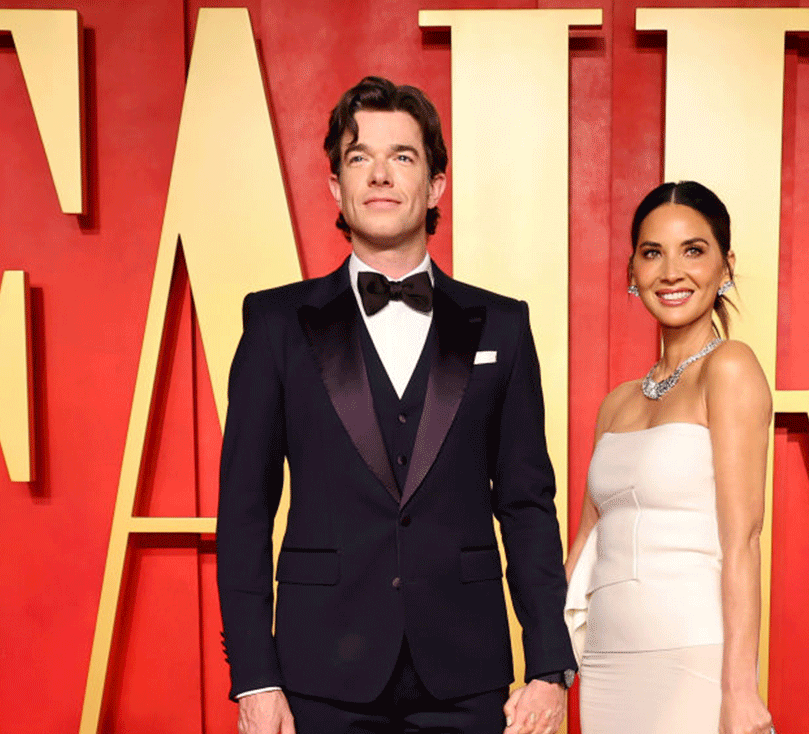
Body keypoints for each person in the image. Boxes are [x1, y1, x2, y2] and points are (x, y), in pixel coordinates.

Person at [217, 76, 576, 734]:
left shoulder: (502, 326)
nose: (380, 175)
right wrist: (254, 677)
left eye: (403, 157)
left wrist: (550, 667)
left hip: (468, 678)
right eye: (360, 157)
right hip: (317, 677)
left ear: (437, 184)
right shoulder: (275, 324)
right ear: (336, 187)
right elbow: (242, 511)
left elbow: (526, 505)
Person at [564, 181, 775, 734]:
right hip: (606, 664)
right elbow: (584, 546)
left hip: (692, 659)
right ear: (632, 271)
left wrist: (740, 689)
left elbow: (743, 541)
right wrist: (548, 670)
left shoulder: (729, 368)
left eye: (694, 250)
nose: (671, 272)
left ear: (726, 265)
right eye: (652, 253)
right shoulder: (617, 403)